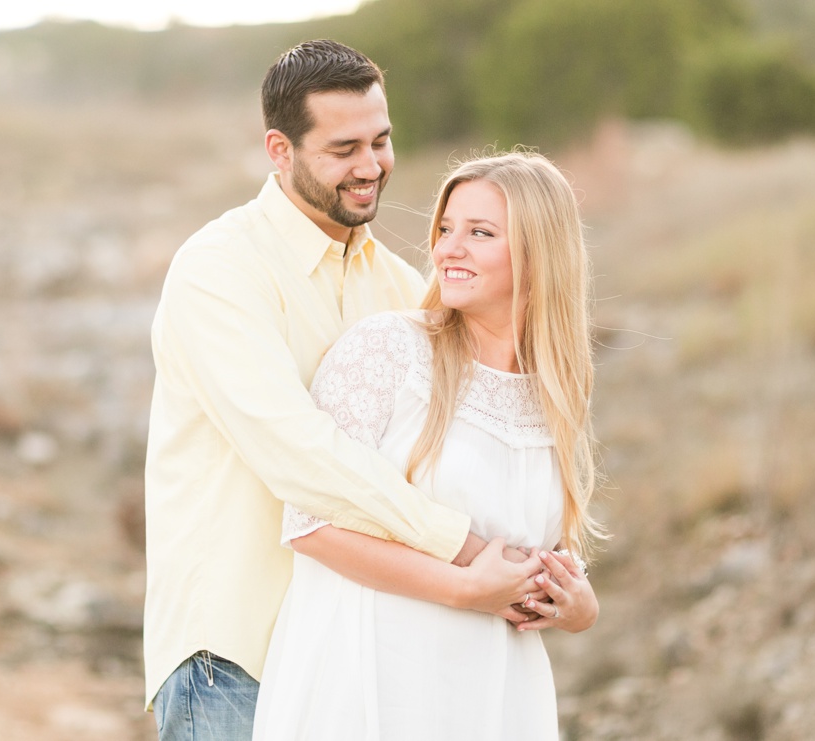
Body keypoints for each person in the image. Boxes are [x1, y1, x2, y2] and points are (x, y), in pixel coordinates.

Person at [144, 40, 578, 741]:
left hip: (359, 661)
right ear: (279, 151)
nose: (371, 166)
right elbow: (300, 457)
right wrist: (465, 553)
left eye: (381, 140)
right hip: (234, 655)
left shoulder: (405, 288)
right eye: (343, 148)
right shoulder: (219, 272)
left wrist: (554, 582)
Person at [252, 150, 604, 740]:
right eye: (445, 229)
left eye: (480, 233)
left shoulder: (556, 390)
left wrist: (577, 606)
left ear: (540, 254)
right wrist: (464, 589)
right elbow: (310, 526)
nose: (448, 249)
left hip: (494, 694)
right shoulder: (387, 350)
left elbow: (539, 550)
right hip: (370, 679)